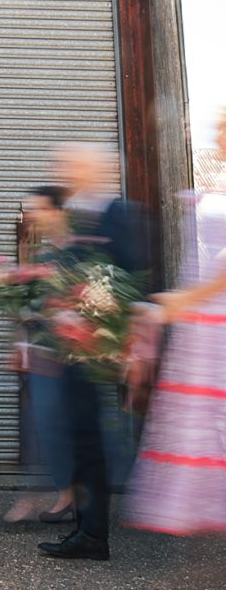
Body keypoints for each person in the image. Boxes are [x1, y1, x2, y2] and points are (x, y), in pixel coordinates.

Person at [37, 144, 151, 561]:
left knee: (92, 438)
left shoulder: (120, 214)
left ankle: (94, 533)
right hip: (72, 346)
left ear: (94, 170)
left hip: (102, 346)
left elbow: (133, 279)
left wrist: (136, 349)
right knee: (82, 437)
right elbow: (64, 273)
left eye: (72, 164)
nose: (64, 170)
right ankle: (88, 529)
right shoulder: (74, 213)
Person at [126, 110, 226, 535]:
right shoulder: (217, 178)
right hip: (205, 322)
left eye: (224, 128)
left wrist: (184, 301)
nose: (218, 135)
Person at [3, 186, 75, 524]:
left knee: (52, 428)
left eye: (40, 210)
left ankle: (60, 495)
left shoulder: (74, 254)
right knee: (39, 427)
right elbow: (28, 309)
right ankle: (46, 495)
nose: (34, 217)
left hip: (67, 357)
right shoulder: (43, 256)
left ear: (58, 212)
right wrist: (19, 345)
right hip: (41, 356)